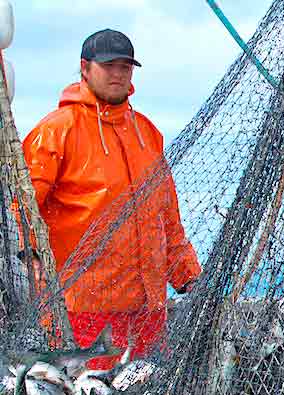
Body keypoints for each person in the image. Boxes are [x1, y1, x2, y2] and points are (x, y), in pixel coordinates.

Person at [21, 29, 200, 364]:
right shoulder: (57, 130)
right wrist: (35, 267)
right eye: (109, 66)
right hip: (84, 312)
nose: (118, 74)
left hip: (148, 312)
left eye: (125, 67)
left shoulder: (147, 133)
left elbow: (168, 219)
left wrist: (188, 277)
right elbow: (22, 210)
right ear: (85, 68)